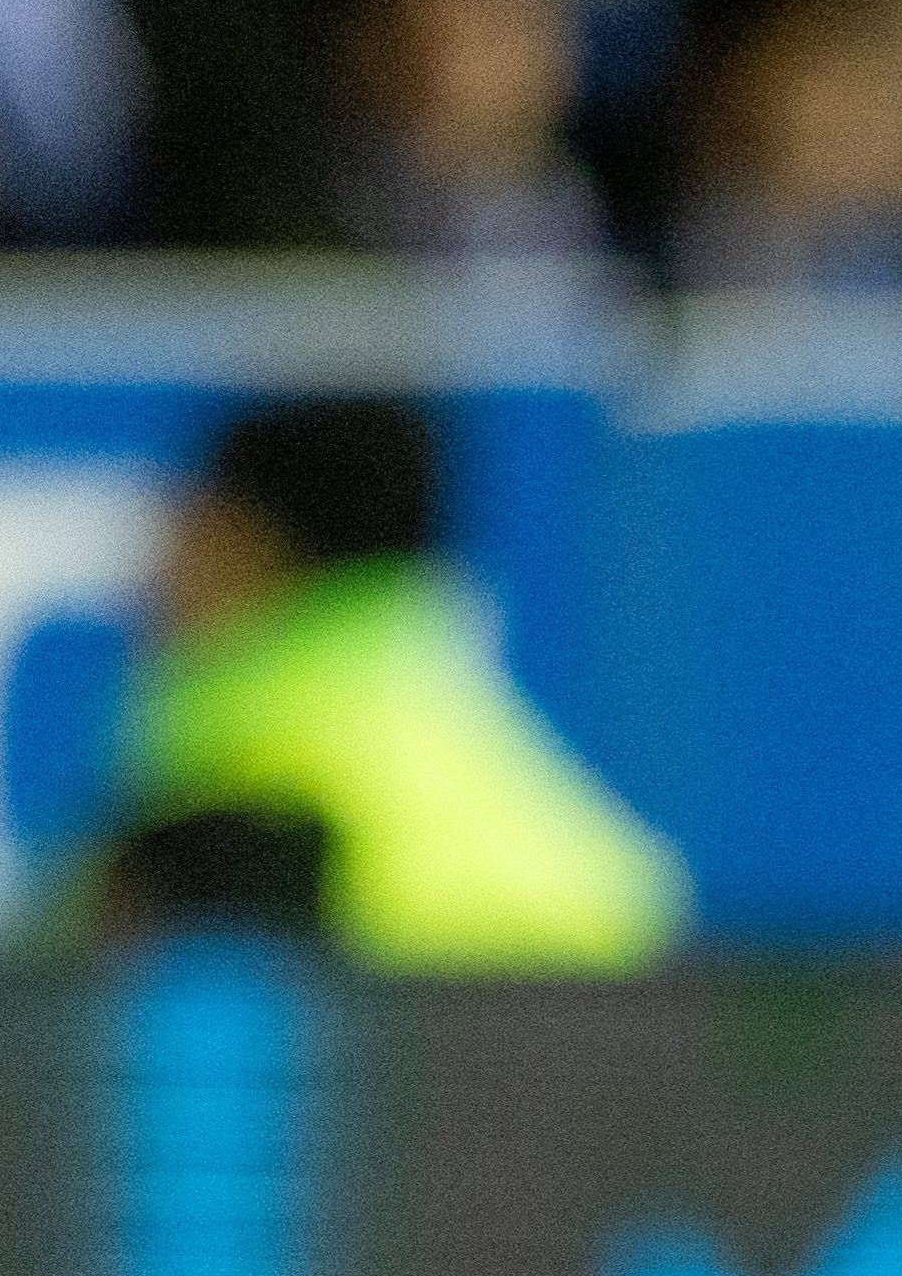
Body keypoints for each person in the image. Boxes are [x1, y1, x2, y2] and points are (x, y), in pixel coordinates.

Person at [95, 396, 683, 972]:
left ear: (244, 541)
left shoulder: (234, 766)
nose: (152, 570)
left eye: (187, 525)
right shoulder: (445, 717)